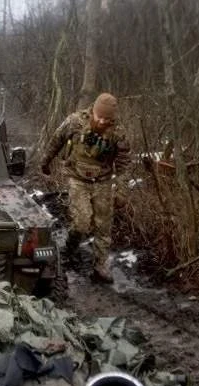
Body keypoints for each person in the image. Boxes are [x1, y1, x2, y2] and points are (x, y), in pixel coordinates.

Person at [38, 93, 131, 283]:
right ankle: (70, 248)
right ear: (93, 111)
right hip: (77, 178)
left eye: (107, 119)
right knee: (81, 222)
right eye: (100, 116)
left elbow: (124, 164)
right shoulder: (75, 122)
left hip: (103, 181)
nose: (103, 121)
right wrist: (45, 162)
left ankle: (100, 266)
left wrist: (122, 191)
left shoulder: (118, 132)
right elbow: (56, 140)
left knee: (103, 226)